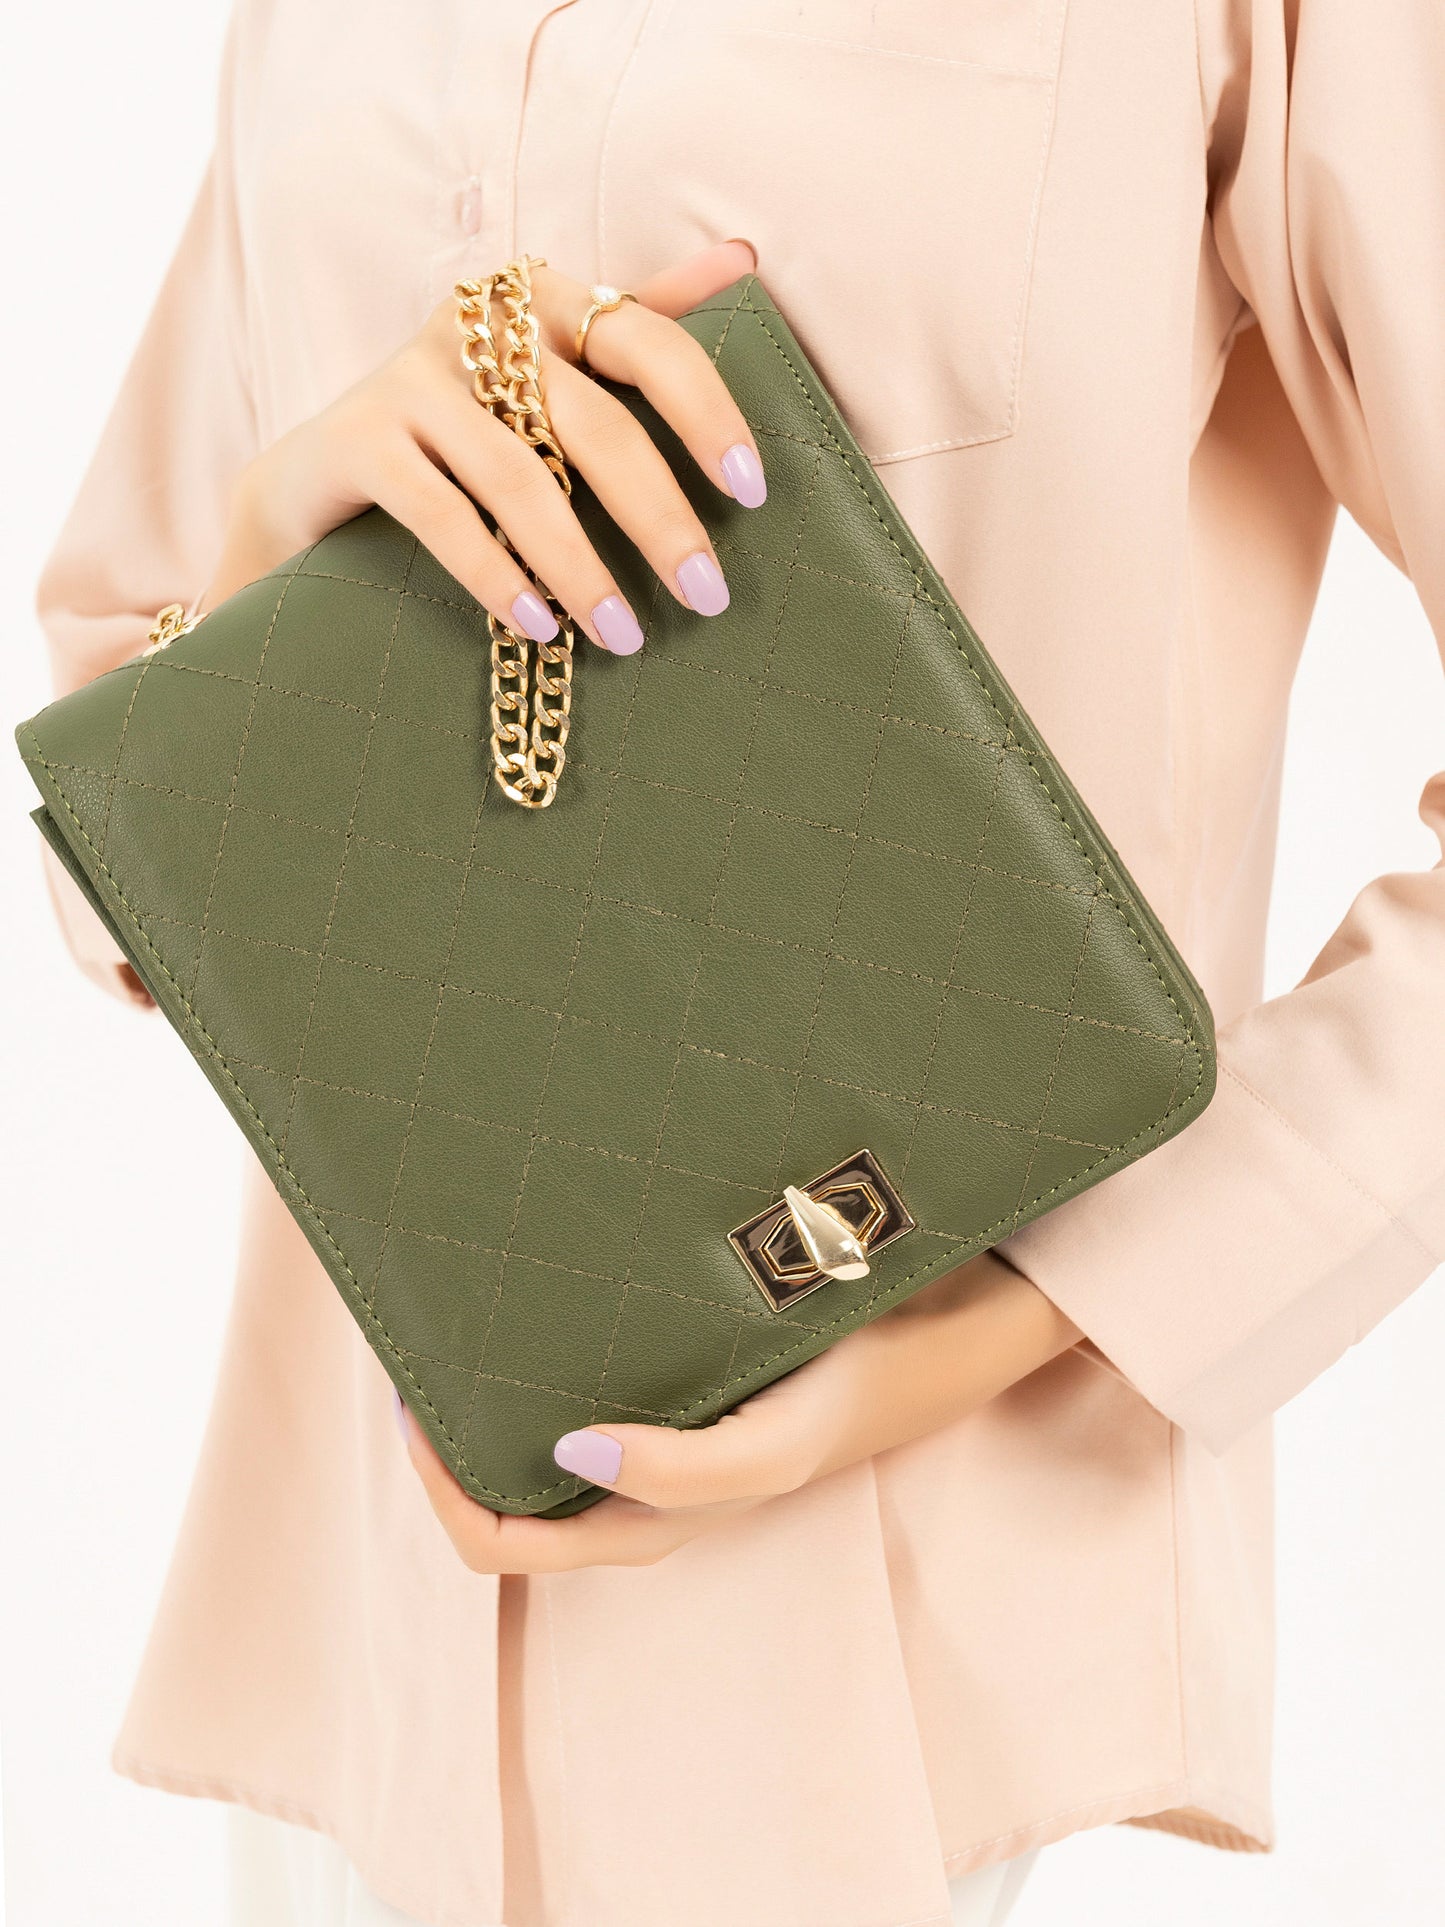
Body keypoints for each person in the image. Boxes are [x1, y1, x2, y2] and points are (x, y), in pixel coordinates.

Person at [35, 3, 1445, 1923]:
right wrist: (266, 573)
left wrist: (1035, 1302)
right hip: (365, 1607)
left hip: (891, 1619)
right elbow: (115, 766)